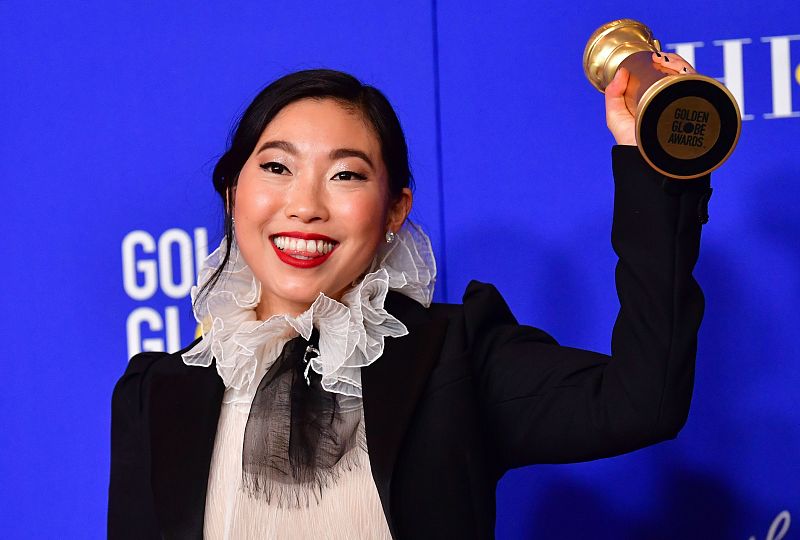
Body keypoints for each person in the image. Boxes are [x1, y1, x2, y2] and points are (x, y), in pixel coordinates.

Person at [108, 54, 712, 539]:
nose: (305, 206)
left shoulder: (455, 357)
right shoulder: (155, 392)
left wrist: (656, 163)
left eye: (346, 174)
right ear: (233, 191)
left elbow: (644, 401)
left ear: (396, 209)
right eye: (276, 168)